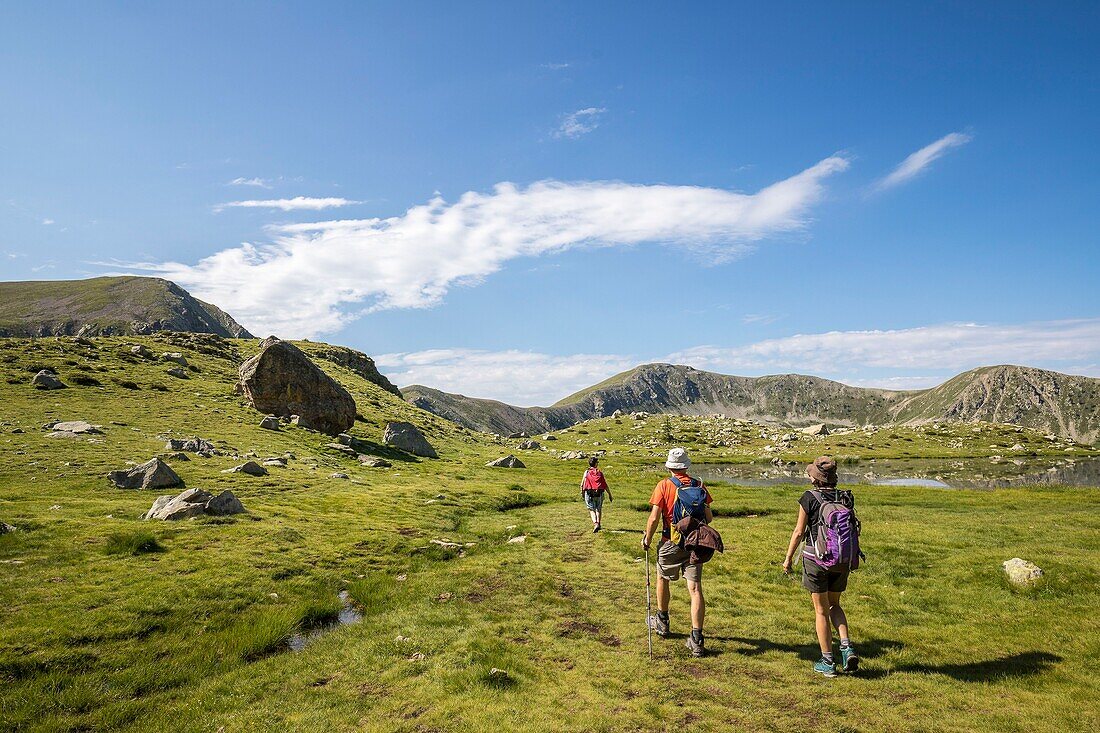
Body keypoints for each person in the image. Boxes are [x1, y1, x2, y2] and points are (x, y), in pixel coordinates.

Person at [782, 455, 860, 677]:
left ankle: (828, 661)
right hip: (842, 560)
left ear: (815, 478)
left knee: (821, 610)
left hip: (815, 560)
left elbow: (799, 532)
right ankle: (846, 647)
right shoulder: (845, 497)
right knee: (835, 605)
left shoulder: (809, 497)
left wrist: (788, 559)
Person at [642, 447, 713, 657]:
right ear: (687, 466)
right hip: (695, 544)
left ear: (670, 467)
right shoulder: (699, 485)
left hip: (670, 542)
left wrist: (647, 538)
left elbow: (654, 518)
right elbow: (708, 518)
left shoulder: (664, 485)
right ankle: (697, 639)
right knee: (695, 589)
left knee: (662, 578)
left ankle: (662, 621)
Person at [580, 457, 613, 532]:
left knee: (591, 509)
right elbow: (605, 485)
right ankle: (598, 523)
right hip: (599, 493)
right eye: (597, 462)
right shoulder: (600, 473)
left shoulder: (586, 472)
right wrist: (610, 495)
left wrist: (582, 493)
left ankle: (595, 523)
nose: (598, 464)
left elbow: (582, 484)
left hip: (589, 493)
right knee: (598, 509)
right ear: (595, 464)